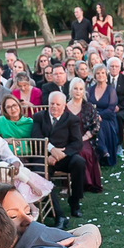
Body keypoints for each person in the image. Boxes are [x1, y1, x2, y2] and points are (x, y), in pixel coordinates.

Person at [30, 91, 87, 225]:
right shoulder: (39, 117)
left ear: (64, 105)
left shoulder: (71, 119)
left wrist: (60, 155)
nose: (54, 107)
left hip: (64, 157)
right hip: (44, 157)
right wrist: (51, 150)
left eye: (58, 104)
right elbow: (36, 137)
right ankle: (58, 215)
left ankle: (75, 202)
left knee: (79, 162)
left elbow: (77, 143)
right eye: (52, 104)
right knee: (40, 174)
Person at [65, 77, 103, 194]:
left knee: (83, 151)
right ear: (71, 90)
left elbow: (96, 125)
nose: (78, 91)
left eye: (81, 89)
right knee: (69, 151)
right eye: (75, 89)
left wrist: (85, 137)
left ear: (84, 91)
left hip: (84, 138)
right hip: (67, 139)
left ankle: (85, 182)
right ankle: (68, 184)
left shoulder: (88, 107)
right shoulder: (64, 107)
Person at [89, 64, 121, 168]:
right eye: (98, 73)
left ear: (106, 74)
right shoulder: (89, 90)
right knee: (96, 123)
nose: (100, 75)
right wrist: (95, 115)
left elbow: (111, 108)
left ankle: (103, 150)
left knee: (101, 125)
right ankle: (102, 150)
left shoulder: (111, 90)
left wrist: (100, 115)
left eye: (102, 73)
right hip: (93, 116)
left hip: (107, 117)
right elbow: (87, 105)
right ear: (94, 75)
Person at [107, 57, 124, 142]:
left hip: (122, 108)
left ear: (119, 67)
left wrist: (119, 107)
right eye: (112, 66)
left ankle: (118, 143)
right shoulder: (104, 79)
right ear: (108, 67)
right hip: (106, 107)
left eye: (116, 66)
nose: (114, 68)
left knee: (117, 117)